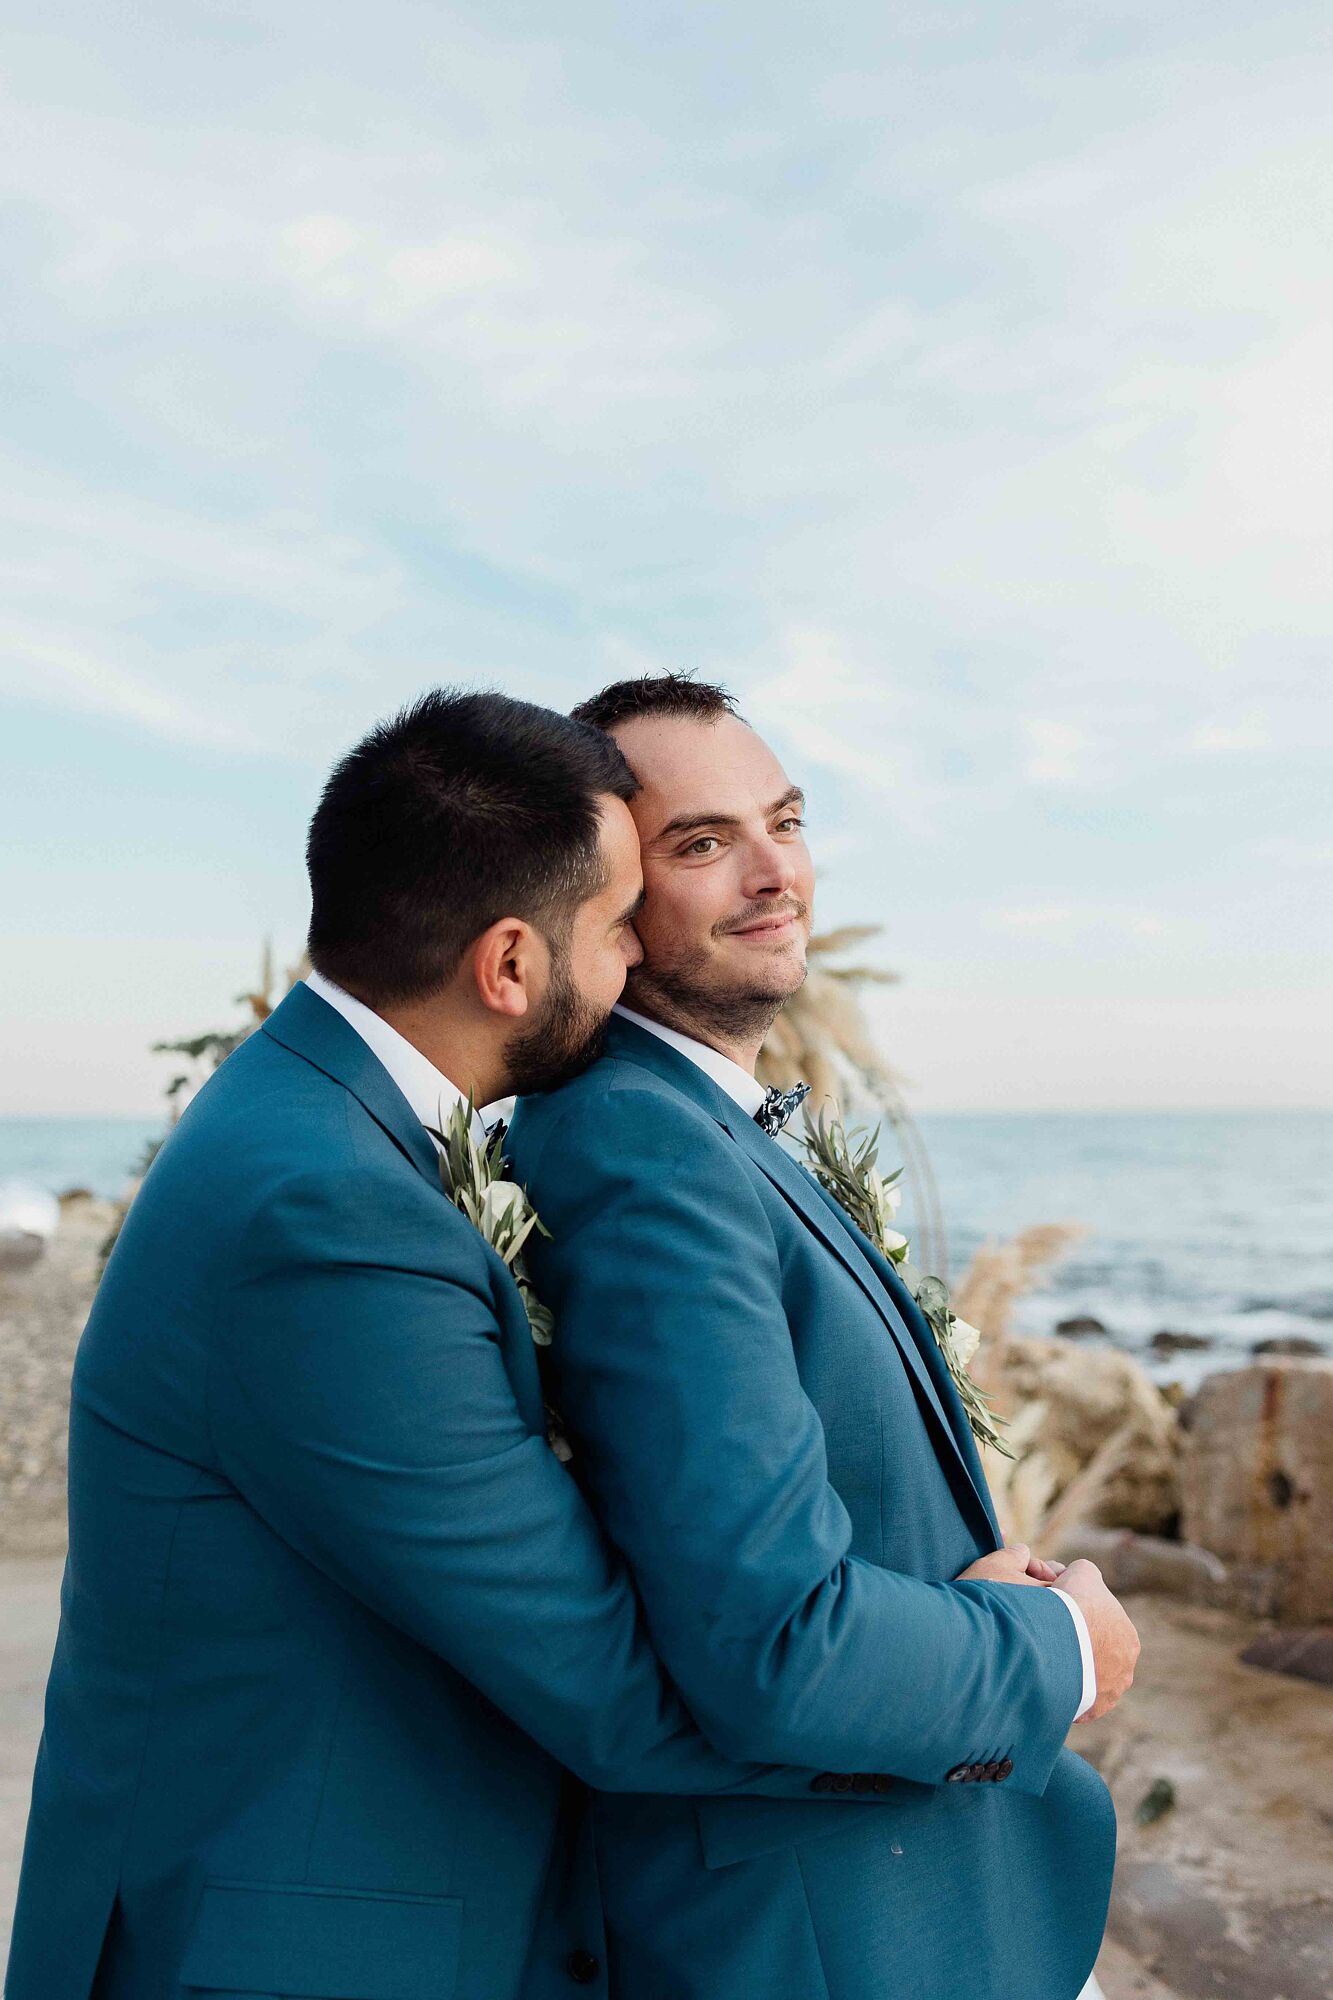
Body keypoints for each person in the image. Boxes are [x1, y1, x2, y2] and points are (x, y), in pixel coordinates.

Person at [5, 690, 892, 2000]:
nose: (634, 962)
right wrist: (997, 1673)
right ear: (510, 966)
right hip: (289, 1954)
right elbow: (608, 1693)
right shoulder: (325, 1213)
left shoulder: (315, 1118)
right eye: (616, 926)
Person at [506, 673, 1140, 2000]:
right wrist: (1061, 1647)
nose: (773, 873)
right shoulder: (635, 1145)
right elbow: (769, 1639)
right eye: (702, 842)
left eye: (784, 823)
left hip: (926, 1895)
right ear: (600, 895)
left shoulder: (707, 1126)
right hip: (830, 1936)